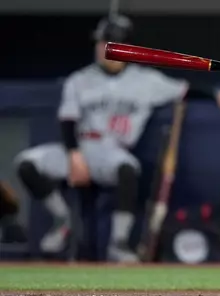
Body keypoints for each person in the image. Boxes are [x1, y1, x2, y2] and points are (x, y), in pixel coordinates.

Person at [13, 15, 191, 263]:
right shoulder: (80, 79)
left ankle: (118, 243)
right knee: (27, 164)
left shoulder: (147, 80)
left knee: (127, 169)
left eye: (109, 43)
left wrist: (219, 95)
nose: (102, 48)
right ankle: (62, 219)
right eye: (101, 43)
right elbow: (68, 120)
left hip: (111, 150)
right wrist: (74, 155)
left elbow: (186, 89)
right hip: (78, 146)